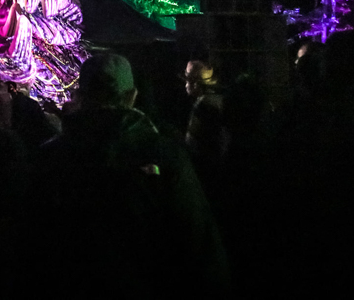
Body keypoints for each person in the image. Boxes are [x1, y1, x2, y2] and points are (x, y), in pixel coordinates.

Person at [28, 53, 230, 300]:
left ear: (80, 96)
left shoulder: (49, 157)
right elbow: (199, 240)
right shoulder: (162, 153)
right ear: (132, 96)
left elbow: (34, 244)